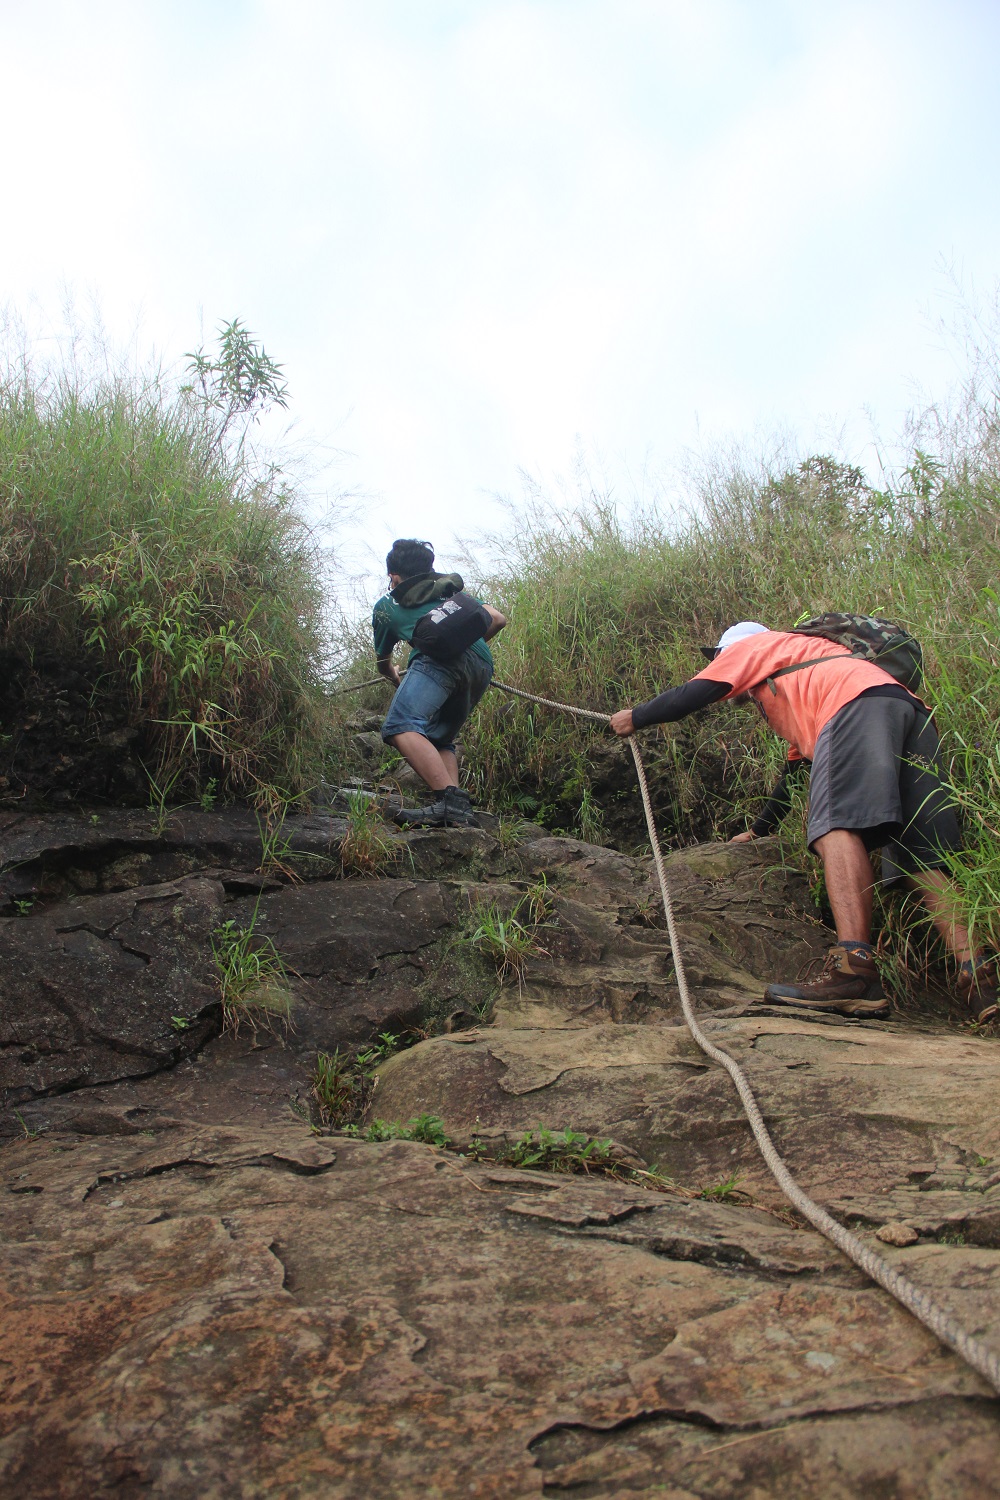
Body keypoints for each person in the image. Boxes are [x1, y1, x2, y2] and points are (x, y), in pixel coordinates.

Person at [610, 620, 998, 1024]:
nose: (716, 664)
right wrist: (759, 830)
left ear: (732, 650)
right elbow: (794, 771)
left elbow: (697, 692)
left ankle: (855, 974)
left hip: (855, 706)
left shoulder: (759, 646)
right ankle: (982, 978)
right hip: (908, 713)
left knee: (835, 827)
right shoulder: (807, 672)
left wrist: (636, 717)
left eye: (717, 657)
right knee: (919, 859)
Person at [373, 538, 506, 828]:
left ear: (393, 577)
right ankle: (455, 810)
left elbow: (383, 662)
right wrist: (462, 646)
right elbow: (497, 619)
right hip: (482, 666)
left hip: (437, 665)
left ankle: (448, 803)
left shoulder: (388, 605)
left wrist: (394, 674)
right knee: (440, 737)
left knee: (400, 725)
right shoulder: (451, 590)